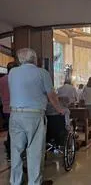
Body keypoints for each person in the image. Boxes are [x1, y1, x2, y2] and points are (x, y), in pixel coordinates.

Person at [8, 48, 64, 185]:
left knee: (16, 151)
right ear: (35, 59)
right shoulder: (42, 73)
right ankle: (34, 182)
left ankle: (15, 181)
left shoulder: (12, 73)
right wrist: (60, 110)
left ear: (20, 59)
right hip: (33, 116)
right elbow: (52, 96)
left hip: (15, 115)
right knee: (35, 151)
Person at [0, 61, 18, 161]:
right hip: (16, 109)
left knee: (11, 130)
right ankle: (12, 152)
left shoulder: (1, 80)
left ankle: (9, 149)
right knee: (15, 132)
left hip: (5, 109)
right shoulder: (16, 79)